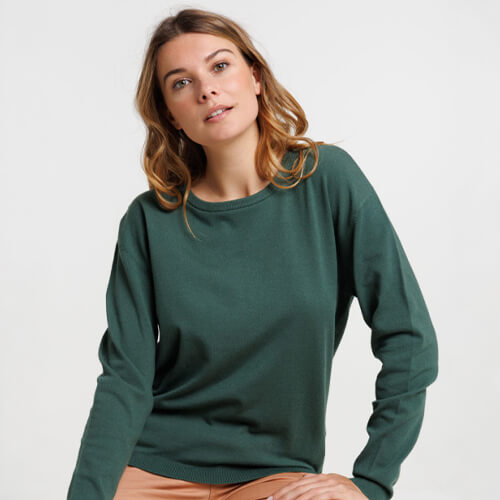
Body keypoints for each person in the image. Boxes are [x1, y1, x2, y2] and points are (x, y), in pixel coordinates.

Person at [66, 8, 439, 500]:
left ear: (256, 78)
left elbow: (409, 338)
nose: (206, 90)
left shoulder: (327, 181)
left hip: (274, 475)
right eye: (181, 83)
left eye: (220, 66)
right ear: (170, 113)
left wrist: (370, 480)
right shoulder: (148, 221)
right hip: (151, 465)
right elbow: (125, 379)